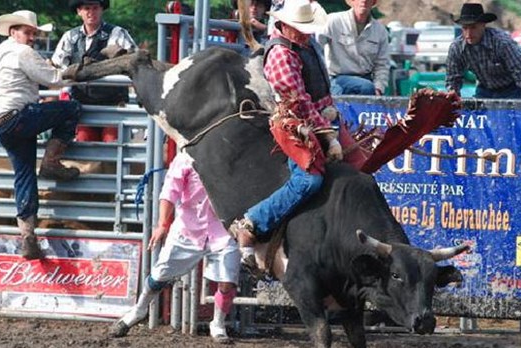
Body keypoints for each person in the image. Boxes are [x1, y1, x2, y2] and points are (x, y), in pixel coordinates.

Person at [229, 0, 342, 269]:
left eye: (307, 28)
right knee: (309, 181)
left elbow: (317, 91)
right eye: (301, 29)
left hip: (314, 117)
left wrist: (329, 110)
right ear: (285, 25)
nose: (307, 33)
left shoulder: (304, 45)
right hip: (291, 123)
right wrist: (329, 135)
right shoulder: (281, 54)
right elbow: (299, 102)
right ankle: (252, 223)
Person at [109, 152, 241, 344]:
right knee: (159, 275)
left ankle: (218, 324)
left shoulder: (232, 155)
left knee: (227, 281)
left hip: (223, 229)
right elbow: (170, 191)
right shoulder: (185, 158)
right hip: (188, 229)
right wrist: (162, 224)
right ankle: (139, 310)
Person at [0, 10, 82, 260]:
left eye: (33, 33)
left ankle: (28, 236)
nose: (31, 37)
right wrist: (77, 71)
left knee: (25, 175)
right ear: (13, 31)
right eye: (27, 32)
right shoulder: (22, 52)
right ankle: (51, 161)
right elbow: (55, 79)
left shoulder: (1, 52)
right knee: (71, 108)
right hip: (18, 117)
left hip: (0, 123)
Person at [52, 0, 137, 142]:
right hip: (82, 104)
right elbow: (57, 65)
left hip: (113, 104)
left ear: (101, 9)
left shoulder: (117, 33)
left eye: (95, 8)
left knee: (112, 143)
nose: (91, 12)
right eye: (87, 8)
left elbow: (135, 61)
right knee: (84, 140)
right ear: (79, 11)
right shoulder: (70, 37)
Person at [445, 3, 521, 99]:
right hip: (484, 89)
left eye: (473, 27)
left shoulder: (502, 43)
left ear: (483, 25)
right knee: (477, 113)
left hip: (512, 89)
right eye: (465, 28)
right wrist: (453, 102)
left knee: (513, 113)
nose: (468, 33)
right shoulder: (457, 48)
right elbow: (453, 79)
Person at [317, 0, 389, 96]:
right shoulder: (333, 21)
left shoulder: (380, 31)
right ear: (351, 1)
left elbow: (382, 65)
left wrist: (379, 88)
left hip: (366, 80)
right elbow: (315, 46)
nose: (364, 1)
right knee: (366, 87)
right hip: (337, 79)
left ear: (373, 2)